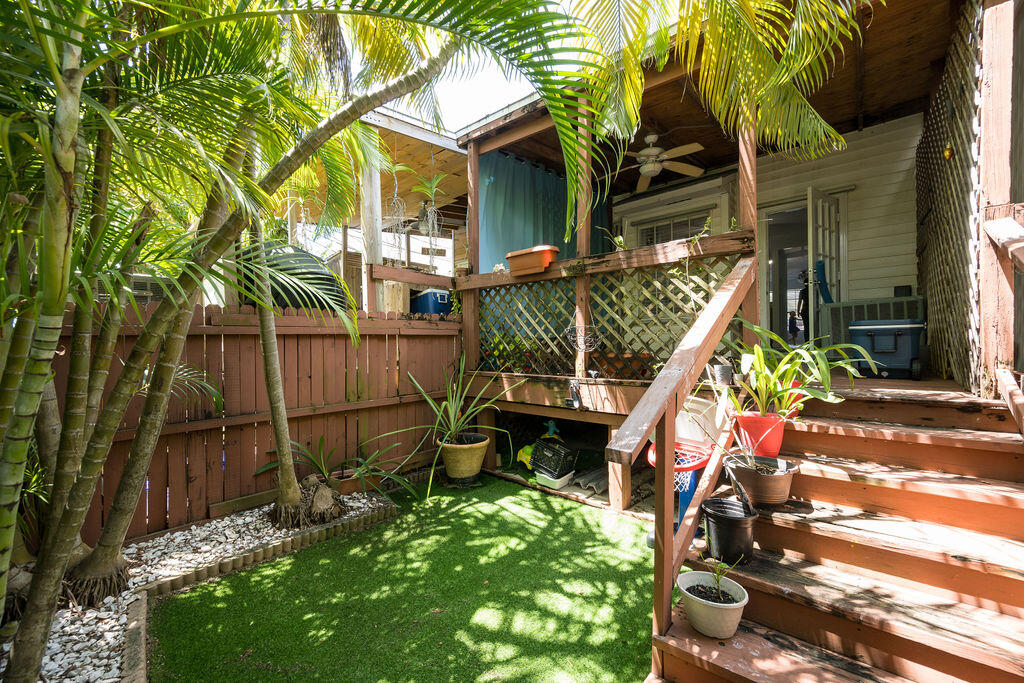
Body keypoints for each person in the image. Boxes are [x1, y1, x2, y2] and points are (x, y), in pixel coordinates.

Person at [798, 271, 810, 343]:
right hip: (808, 310)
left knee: (806, 327)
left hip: (804, 310)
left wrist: (798, 311)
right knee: (811, 326)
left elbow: (800, 301)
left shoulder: (802, 291)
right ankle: (810, 342)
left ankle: (807, 342)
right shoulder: (813, 291)